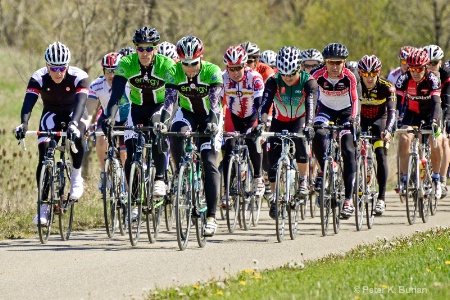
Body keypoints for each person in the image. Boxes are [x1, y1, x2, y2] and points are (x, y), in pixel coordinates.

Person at [14, 41, 89, 224]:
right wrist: (23, 124)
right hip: (51, 114)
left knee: (77, 136)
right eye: (53, 68)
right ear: (47, 65)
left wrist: (73, 124)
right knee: (44, 154)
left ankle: (76, 177)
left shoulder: (79, 76)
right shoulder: (38, 77)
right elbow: (28, 103)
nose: (57, 72)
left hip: (75, 112)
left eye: (61, 68)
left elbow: (80, 104)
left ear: (68, 65)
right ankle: (43, 207)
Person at [156, 35, 223, 237]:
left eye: (193, 63)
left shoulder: (212, 72)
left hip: (210, 116)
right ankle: (180, 172)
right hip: (187, 114)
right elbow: (169, 102)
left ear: (200, 58)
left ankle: (211, 216)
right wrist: (162, 120)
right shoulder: (174, 72)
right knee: (175, 133)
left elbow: (215, 104)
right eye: (185, 63)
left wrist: (212, 124)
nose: (189, 67)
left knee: (209, 162)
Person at [103, 26, 175, 204]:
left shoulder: (166, 65)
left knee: (157, 126)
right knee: (131, 151)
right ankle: (135, 201)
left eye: (149, 48)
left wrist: (168, 116)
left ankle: (159, 177)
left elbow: (173, 95)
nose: (144, 52)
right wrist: (110, 117)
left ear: (155, 49)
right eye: (140, 48)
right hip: (137, 108)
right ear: (136, 48)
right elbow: (116, 95)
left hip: (160, 107)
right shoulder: (127, 64)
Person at [259, 46, 318, 220]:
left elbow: (311, 106)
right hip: (279, 120)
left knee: (300, 141)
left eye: (291, 74)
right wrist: (262, 123)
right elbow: (265, 104)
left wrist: (310, 125)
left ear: (299, 68)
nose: (288, 78)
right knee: (272, 159)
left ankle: (302, 181)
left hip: (299, 119)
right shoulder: (273, 80)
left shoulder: (309, 81)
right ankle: (276, 198)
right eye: (284, 74)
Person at [311, 42, 360, 219]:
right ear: (325, 62)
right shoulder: (316, 74)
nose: (334, 67)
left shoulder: (351, 76)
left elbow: (356, 100)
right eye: (330, 62)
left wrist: (353, 120)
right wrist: (309, 121)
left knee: (348, 150)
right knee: (317, 133)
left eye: (338, 63)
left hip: (347, 113)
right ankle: (324, 169)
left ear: (344, 62)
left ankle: (348, 200)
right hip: (326, 110)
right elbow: (311, 97)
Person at [221, 45, 265, 207]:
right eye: (231, 68)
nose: (235, 72)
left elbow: (261, 104)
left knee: (252, 140)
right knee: (229, 147)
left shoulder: (255, 78)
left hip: (252, 115)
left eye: (239, 67)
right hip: (234, 117)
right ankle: (226, 191)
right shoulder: (222, 78)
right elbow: (216, 103)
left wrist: (260, 124)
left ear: (245, 65)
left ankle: (258, 178)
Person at [396, 48, 443, 198]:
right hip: (412, 113)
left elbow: (436, 103)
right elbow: (397, 104)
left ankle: (436, 178)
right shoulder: (403, 79)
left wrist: (435, 123)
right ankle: (404, 179)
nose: (415, 72)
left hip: (430, 114)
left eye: (418, 69)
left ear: (426, 67)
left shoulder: (432, 79)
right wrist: (395, 122)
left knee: (435, 141)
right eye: (411, 69)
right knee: (404, 138)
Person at [357, 55, 396, 215]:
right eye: (365, 74)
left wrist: (388, 130)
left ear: (378, 73)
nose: (369, 78)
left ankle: (381, 198)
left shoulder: (387, 86)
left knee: (380, 154)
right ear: (360, 73)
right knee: (352, 149)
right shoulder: (356, 85)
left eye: (373, 74)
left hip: (381, 120)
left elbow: (392, 112)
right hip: (361, 120)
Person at [87, 52, 130, 191]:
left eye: (115, 71)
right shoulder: (97, 85)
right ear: (103, 71)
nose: (111, 75)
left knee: (124, 153)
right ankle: (105, 173)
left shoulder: (129, 83)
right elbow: (88, 110)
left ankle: (128, 186)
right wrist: (83, 125)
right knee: (100, 140)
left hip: (126, 119)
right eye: (108, 71)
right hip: (107, 118)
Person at [241, 41, 276, 198]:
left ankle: (266, 176)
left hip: (265, 109)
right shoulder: (237, 72)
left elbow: (269, 99)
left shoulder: (266, 72)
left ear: (257, 59)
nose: (248, 63)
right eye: (245, 60)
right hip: (244, 110)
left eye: (251, 60)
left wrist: (267, 118)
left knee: (263, 141)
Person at [424, 44, 450, 198]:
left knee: (444, 140)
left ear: (440, 62)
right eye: (428, 63)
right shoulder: (420, 72)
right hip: (426, 107)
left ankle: (442, 178)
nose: (430, 66)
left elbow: (447, 98)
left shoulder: (445, 73)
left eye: (434, 63)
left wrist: (446, 118)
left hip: (442, 107)